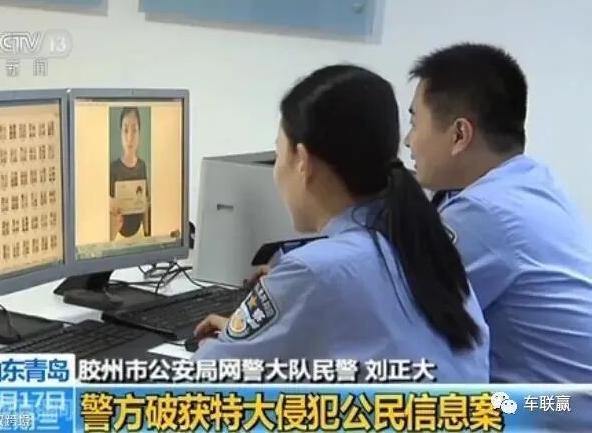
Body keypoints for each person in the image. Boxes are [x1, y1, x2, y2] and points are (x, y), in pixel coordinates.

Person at [191, 64, 490, 382]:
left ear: (303, 161)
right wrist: (258, 335)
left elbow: (199, 383)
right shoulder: (425, 246)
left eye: (279, 153)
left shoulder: (315, 271)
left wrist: (220, 347)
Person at [405, 42, 592, 383]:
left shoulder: (484, 214)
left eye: (415, 122)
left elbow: (392, 312)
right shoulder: (532, 180)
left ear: (459, 134)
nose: (408, 141)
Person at [110, 107, 150, 240]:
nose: (130, 138)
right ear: (120, 133)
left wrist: (147, 233)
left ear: (140, 133)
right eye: (125, 130)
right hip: (118, 236)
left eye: (134, 130)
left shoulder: (142, 166)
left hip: (139, 234)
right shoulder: (113, 168)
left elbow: (145, 203)